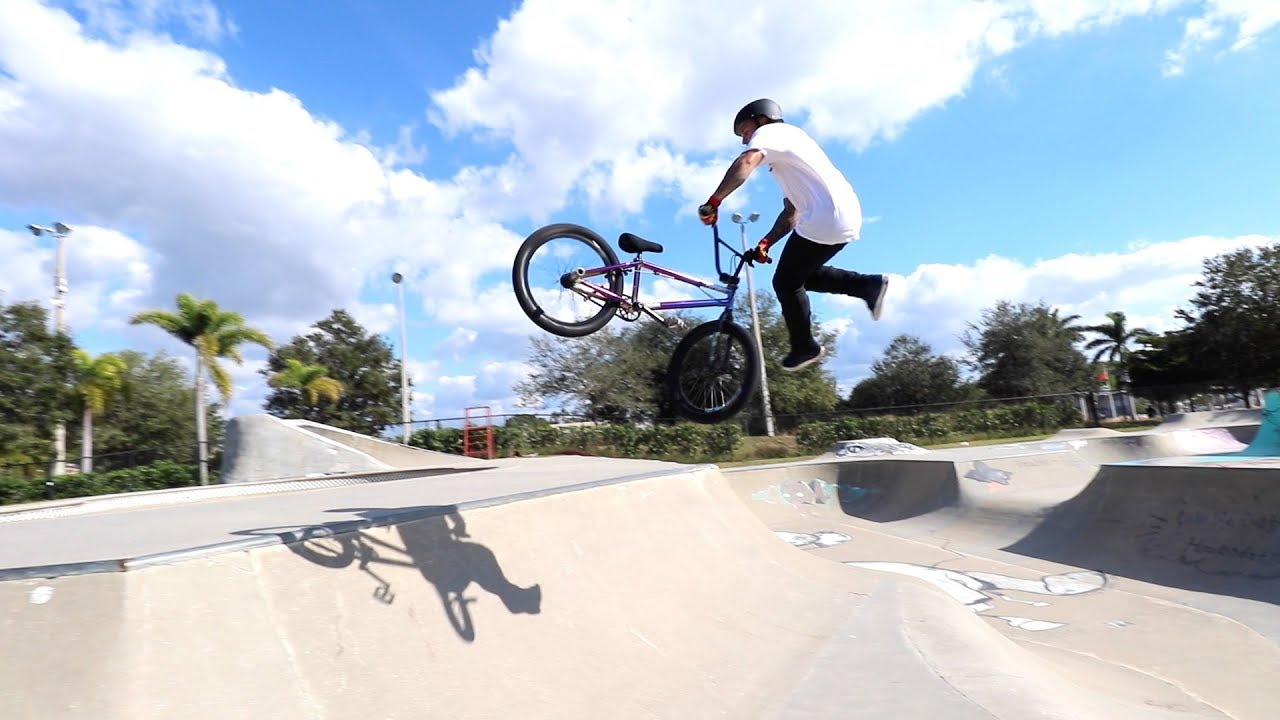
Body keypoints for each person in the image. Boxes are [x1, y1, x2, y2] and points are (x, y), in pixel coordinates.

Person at [698, 98, 888, 371]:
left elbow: (745, 162)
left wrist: (713, 202)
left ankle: (804, 346)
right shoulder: (790, 153)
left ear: (761, 118)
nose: (745, 140)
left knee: (786, 283)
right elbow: (791, 212)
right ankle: (869, 286)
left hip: (827, 214)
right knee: (800, 277)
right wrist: (766, 243)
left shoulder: (772, 133)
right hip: (843, 215)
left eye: (745, 131)